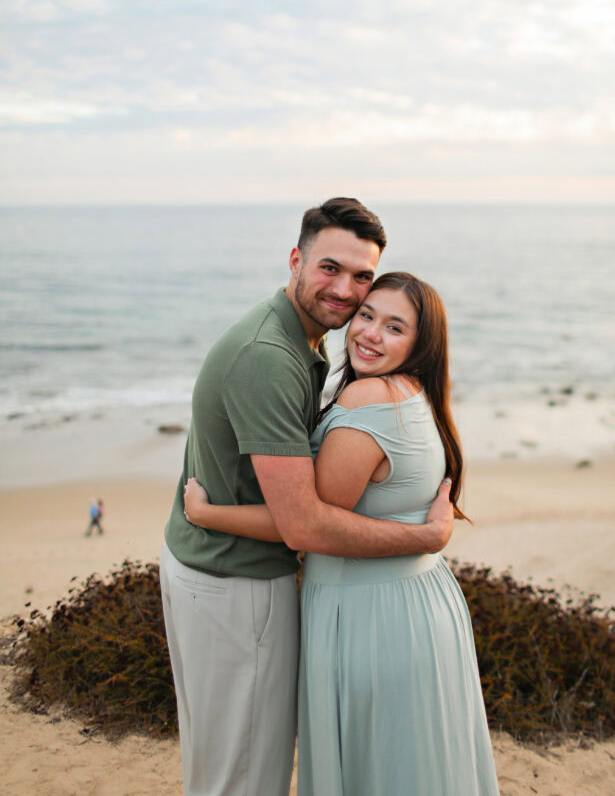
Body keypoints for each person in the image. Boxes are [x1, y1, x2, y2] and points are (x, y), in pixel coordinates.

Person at [160, 199, 455, 796]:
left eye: (361, 277)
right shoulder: (271, 357)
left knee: (226, 767)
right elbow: (305, 525)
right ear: (296, 260)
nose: (345, 291)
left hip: (219, 569)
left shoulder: (309, 343)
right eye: (329, 268)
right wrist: (425, 537)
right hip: (235, 582)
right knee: (244, 778)